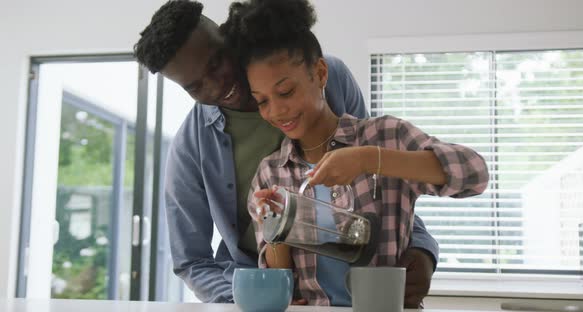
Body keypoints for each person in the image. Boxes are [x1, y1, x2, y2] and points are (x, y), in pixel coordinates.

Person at [133, 0, 440, 307]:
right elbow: (191, 261)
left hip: (356, 273)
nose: (217, 84)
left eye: (216, 62)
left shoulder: (327, 77)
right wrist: (254, 296)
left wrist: (422, 249)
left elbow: (381, 178)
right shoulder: (192, 146)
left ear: (229, 38)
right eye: (195, 86)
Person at [220, 0, 489, 306]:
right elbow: (285, 285)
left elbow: (475, 174)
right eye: (262, 101)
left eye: (286, 92)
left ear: (320, 73)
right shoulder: (271, 172)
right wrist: (275, 226)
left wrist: (368, 159)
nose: (277, 110)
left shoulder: (385, 136)